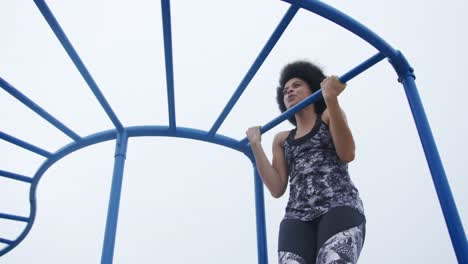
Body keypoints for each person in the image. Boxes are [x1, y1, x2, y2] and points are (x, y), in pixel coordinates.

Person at [246, 61, 366, 264]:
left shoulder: (328, 116)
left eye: (297, 85)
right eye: (285, 90)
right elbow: (276, 188)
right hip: (297, 215)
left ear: (313, 89)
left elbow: (347, 153)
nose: (290, 91)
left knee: (333, 260)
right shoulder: (282, 139)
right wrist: (256, 145)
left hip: (337, 204)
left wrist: (331, 99)